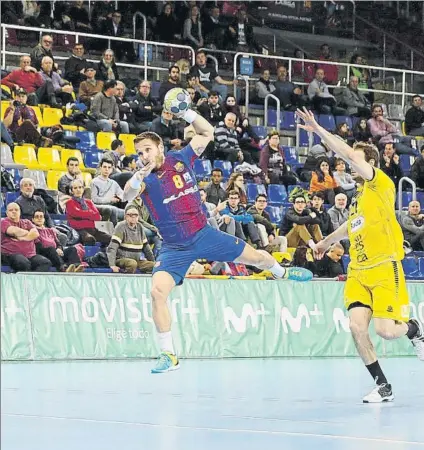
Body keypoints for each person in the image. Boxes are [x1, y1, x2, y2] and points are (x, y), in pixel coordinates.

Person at [123, 106, 312, 374]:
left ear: (159, 148)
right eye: (139, 152)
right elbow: (126, 194)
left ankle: (281, 273)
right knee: (156, 292)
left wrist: (186, 111)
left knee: (258, 258)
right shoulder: (144, 179)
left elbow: (207, 132)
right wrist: (137, 177)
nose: (143, 156)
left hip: (205, 235)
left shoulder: (180, 158)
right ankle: (168, 353)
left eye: (147, 150)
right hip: (174, 248)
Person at [296, 107, 424, 403]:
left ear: (371, 163)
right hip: (358, 271)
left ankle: (415, 329)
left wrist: (318, 130)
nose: (350, 161)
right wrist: (325, 243)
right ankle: (383, 385)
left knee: (386, 331)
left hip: (384, 267)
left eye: (356, 157)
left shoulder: (381, 185)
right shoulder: (358, 198)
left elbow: (350, 155)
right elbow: (348, 228)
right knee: (356, 327)